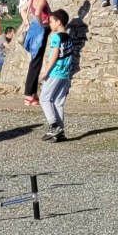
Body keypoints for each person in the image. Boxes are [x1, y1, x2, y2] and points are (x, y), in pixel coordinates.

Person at [38, 8, 75, 142]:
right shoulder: (68, 37)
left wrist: (46, 72)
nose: (50, 24)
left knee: (44, 99)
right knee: (58, 102)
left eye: (52, 22)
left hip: (55, 72)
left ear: (58, 22)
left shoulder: (56, 37)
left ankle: (54, 126)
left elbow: (54, 55)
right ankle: (61, 132)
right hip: (65, 74)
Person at [20, 0, 52, 107]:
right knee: (36, 63)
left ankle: (32, 94)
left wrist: (27, 22)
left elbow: (23, 9)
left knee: (34, 62)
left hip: (33, 30)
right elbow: (38, 13)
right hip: (40, 31)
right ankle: (29, 95)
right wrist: (42, 24)